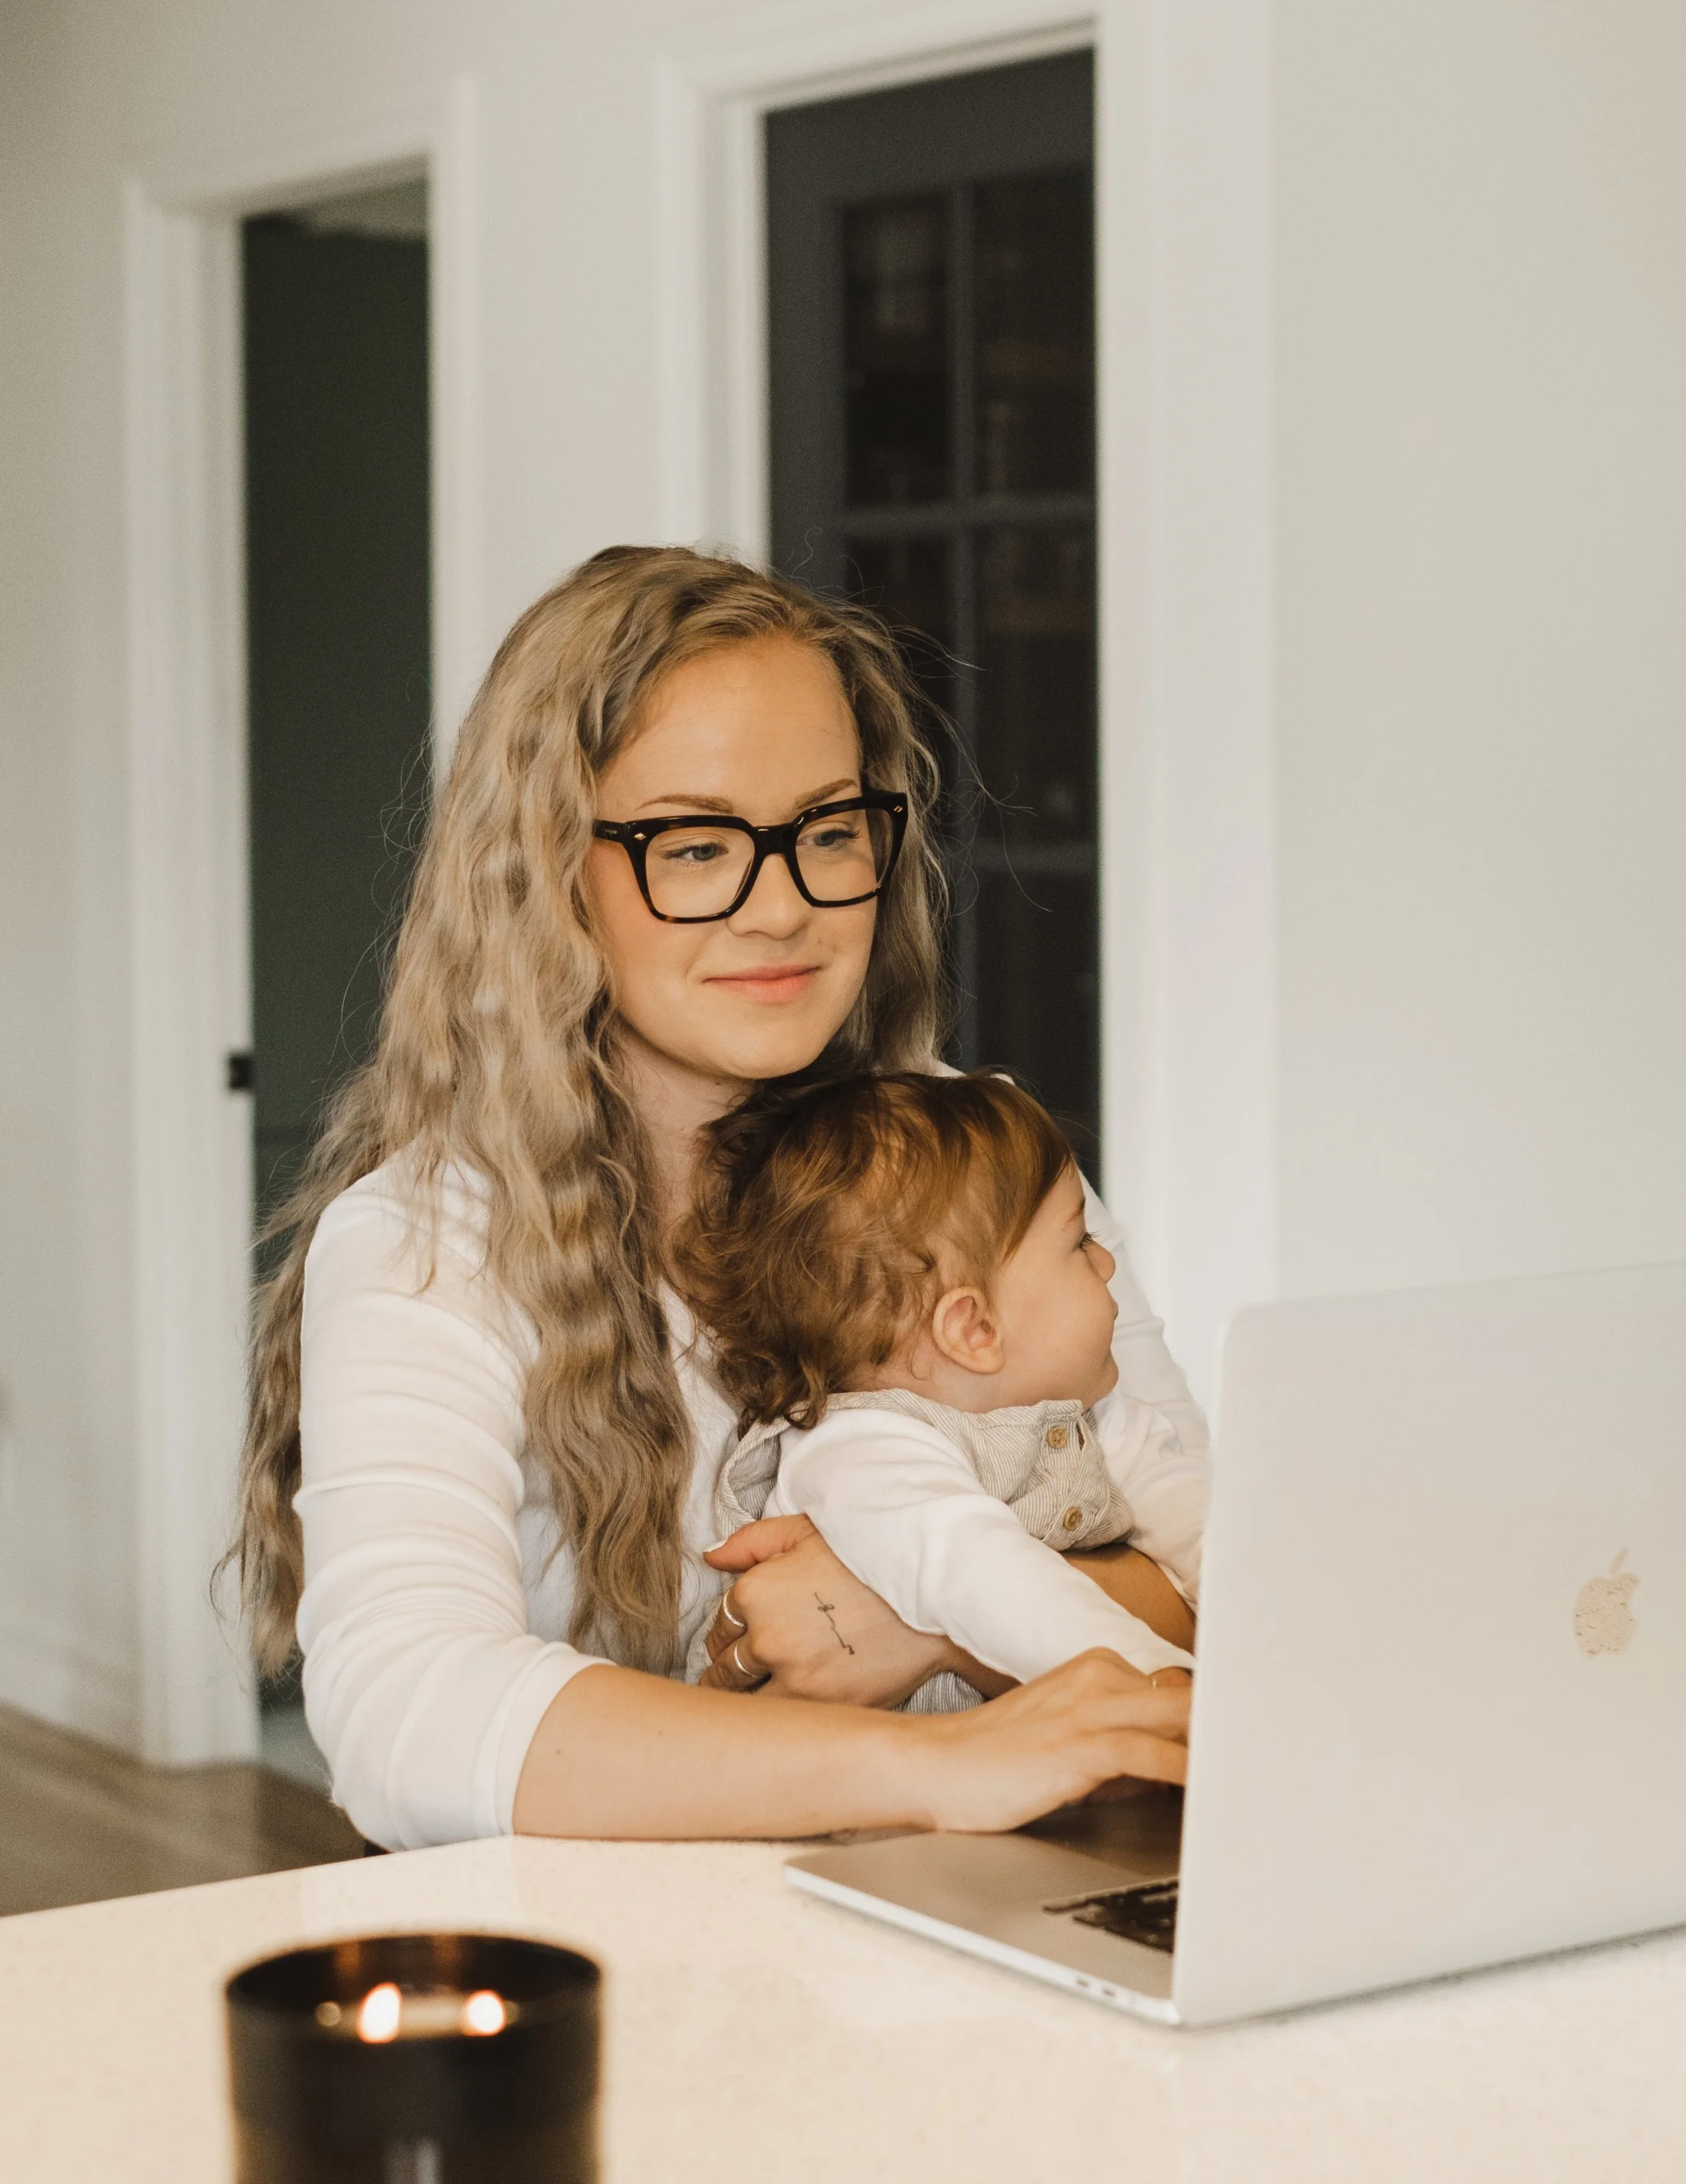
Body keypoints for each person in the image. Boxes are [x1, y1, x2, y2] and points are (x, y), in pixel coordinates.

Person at [234, 545, 1200, 1851]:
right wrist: (936, 1756)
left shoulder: (994, 1164)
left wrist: (914, 1620)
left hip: (988, 1914)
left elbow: (1217, 1560)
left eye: (828, 828)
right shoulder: (428, 1244)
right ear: (548, 872)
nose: (783, 904)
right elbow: (407, 1713)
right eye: (695, 844)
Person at [681, 1070, 1205, 1706]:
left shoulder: (1088, 1412)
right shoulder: (860, 1451)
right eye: (1080, 1243)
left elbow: (1196, 1515)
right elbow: (987, 1580)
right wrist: (1164, 1689)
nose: (1109, 1264)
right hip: (862, 1799)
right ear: (974, 1327)